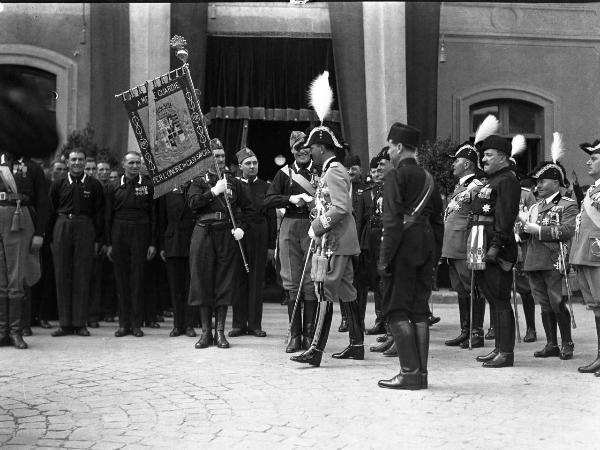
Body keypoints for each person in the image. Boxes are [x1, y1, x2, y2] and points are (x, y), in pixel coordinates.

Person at [376, 123, 444, 390]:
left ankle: (409, 372)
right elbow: (439, 220)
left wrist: (384, 259)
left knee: (395, 310)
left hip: (403, 248)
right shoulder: (428, 177)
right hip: (426, 246)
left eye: (391, 146)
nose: (389, 152)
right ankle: (421, 373)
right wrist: (434, 254)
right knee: (418, 310)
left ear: (400, 147)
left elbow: (392, 222)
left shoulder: (395, 177)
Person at [290, 125, 362, 367]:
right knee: (347, 292)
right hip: (338, 239)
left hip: (335, 240)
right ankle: (357, 344)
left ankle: (316, 349)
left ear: (322, 148)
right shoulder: (331, 170)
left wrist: (319, 225)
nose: (310, 152)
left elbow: (342, 208)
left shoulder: (333, 172)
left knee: (323, 291)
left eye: (312, 148)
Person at [187, 138, 254, 349]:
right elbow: (192, 204)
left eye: (222, 156)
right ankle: (206, 332)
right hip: (204, 233)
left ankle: (220, 333)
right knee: (203, 281)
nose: (219, 159)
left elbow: (247, 209)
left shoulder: (233, 182)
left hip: (226, 233)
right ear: (207, 159)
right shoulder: (198, 180)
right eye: (215, 156)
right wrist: (213, 192)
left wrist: (241, 228)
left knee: (224, 282)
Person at [264, 131, 320, 353]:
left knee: (310, 281)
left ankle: (309, 335)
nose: (303, 150)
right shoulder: (283, 174)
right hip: (289, 227)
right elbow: (267, 200)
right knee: (291, 281)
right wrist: (289, 199)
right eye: (298, 147)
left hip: (312, 227)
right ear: (292, 151)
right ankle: (295, 335)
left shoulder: (319, 171)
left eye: (306, 146)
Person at [469, 135, 521, 368]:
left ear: (503, 157)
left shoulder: (507, 180)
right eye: (483, 154)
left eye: (489, 155)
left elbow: (506, 216)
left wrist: (496, 246)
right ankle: (498, 347)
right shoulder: (492, 179)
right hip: (481, 242)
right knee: (490, 296)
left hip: (494, 246)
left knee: (500, 299)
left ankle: (506, 353)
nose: (484, 158)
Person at [521, 159, 577, 360]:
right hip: (534, 259)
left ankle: (567, 343)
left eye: (542, 181)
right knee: (544, 304)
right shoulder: (535, 207)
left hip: (554, 259)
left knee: (557, 302)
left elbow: (568, 229)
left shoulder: (566, 205)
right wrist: (522, 226)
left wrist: (540, 230)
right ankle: (551, 343)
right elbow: (527, 233)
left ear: (555, 182)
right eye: (537, 182)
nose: (538, 186)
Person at [49, 149, 104, 337]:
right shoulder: (58, 183)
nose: (77, 163)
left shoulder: (94, 184)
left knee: (82, 274)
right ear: (68, 162)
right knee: (62, 274)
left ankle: (80, 323)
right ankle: (64, 323)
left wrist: (98, 239)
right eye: (74, 159)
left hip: (85, 227)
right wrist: (50, 237)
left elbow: (99, 213)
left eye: (81, 159)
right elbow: (51, 210)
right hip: (63, 225)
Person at [0, 151, 50, 349]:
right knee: (0, 280)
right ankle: (2, 331)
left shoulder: (33, 168)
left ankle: (15, 331)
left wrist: (40, 233)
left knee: (16, 278)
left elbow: (44, 203)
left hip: (19, 220)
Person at [105, 151, 157, 338]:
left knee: (138, 280)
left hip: (141, 233)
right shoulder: (113, 186)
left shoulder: (148, 186)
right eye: (131, 163)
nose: (135, 166)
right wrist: (109, 244)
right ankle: (123, 324)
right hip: (119, 232)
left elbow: (154, 216)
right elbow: (107, 217)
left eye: (137, 163)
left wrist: (152, 243)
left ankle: (136, 324)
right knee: (121, 280)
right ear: (123, 165)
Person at [442, 141, 486, 349]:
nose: (453, 165)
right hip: (452, 244)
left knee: (472, 287)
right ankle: (465, 330)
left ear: (467, 164)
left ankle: (476, 332)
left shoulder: (475, 186)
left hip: (465, 243)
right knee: (460, 289)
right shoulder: (460, 186)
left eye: (457, 161)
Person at [230, 148, 276, 338]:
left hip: (259, 236)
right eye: (248, 163)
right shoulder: (233, 185)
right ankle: (238, 324)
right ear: (240, 166)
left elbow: (271, 217)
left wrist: (271, 246)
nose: (252, 166)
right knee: (238, 280)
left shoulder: (266, 187)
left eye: (254, 163)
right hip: (240, 236)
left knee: (257, 280)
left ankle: (255, 324)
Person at [571, 140, 600, 376]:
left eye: (595, 158)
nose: (588, 162)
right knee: (597, 307)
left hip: (597, 255)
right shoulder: (592, 190)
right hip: (588, 254)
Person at [158, 183, 197, 337]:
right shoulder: (166, 192)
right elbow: (161, 220)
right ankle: (177, 325)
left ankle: (189, 325)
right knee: (176, 288)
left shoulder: (195, 189)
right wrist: (162, 246)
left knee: (190, 287)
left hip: (192, 242)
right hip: (172, 243)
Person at [357, 154, 386, 338]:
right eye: (373, 171)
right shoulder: (366, 193)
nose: (376, 174)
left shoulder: (387, 190)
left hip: (383, 239)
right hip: (368, 241)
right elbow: (359, 221)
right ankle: (369, 319)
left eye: (378, 170)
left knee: (382, 282)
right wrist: (358, 245)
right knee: (370, 281)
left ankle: (383, 319)